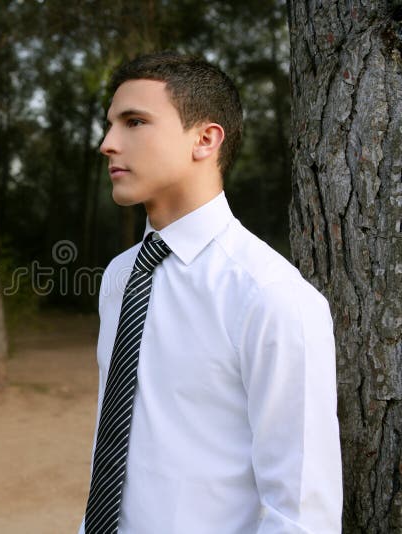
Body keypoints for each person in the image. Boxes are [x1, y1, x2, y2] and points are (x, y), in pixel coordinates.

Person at [79, 51, 342, 533]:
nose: (107, 143)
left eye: (134, 122)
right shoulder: (120, 277)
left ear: (205, 139)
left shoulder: (270, 295)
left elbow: (302, 513)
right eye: (110, 123)